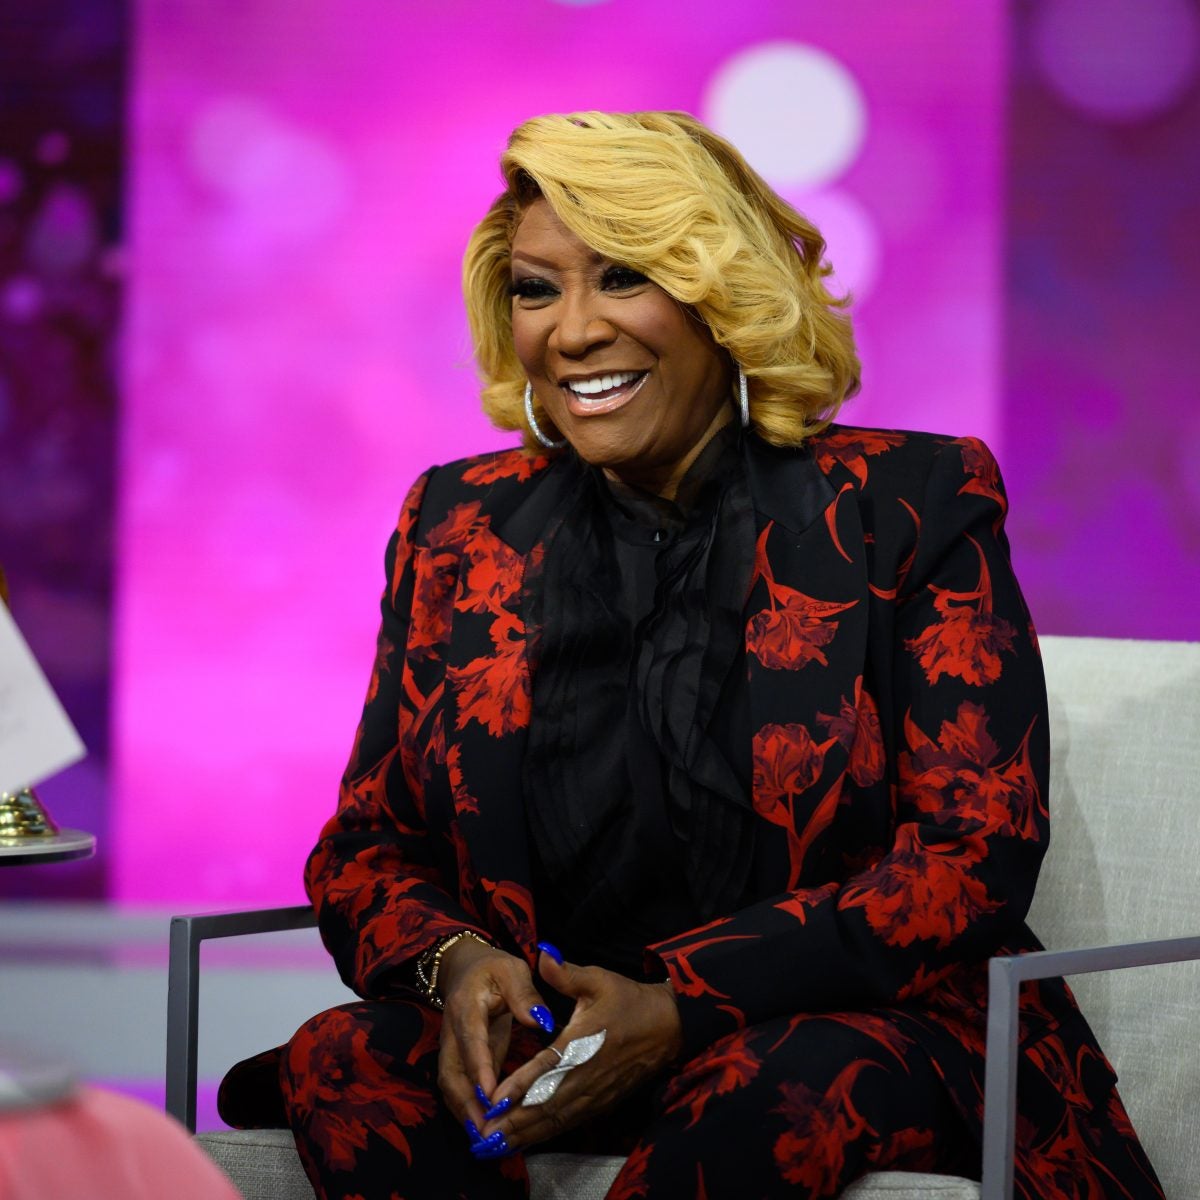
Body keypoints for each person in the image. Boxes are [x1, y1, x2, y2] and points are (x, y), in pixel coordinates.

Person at [219, 110, 1163, 1199]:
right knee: (340, 1054)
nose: (573, 332)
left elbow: (973, 852)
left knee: (762, 1087)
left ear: (721, 292)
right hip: (558, 1034)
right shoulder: (458, 524)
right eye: (536, 290)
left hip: (845, 1028)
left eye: (624, 277)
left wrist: (683, 1001)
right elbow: (371, 843)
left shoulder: (908, 503)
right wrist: (456, 962)